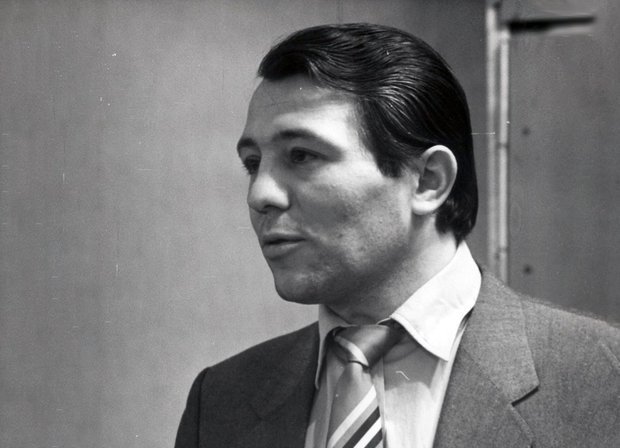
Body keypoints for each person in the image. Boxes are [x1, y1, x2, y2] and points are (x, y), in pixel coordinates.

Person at [175, 23, 620, 447]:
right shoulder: (221, 401)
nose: (260, 194)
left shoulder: (603, 377)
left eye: (302, 155)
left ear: (428, 180)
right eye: (253, 164)